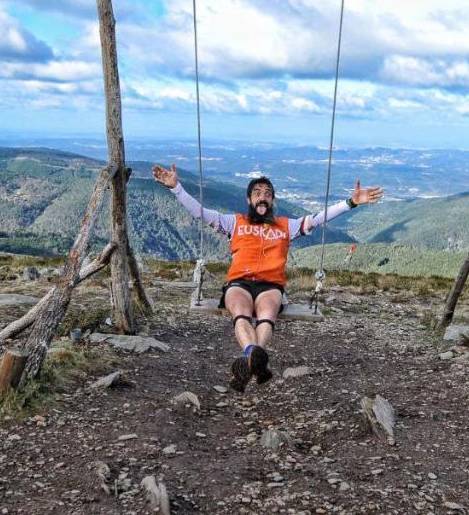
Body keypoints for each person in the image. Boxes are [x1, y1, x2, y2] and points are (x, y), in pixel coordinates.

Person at [151, 164, 383, 392]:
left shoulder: (286, 226)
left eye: (268, 194)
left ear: (272, 201)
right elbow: (199, 212)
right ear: (248, 199)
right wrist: (176, 188)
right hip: (239, 282)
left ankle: (250, 357)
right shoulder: (234, 223)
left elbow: (318, 218)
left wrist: (351, 203)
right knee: (240, 312)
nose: (263, 197)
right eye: (257, 193)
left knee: (267, 312)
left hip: (270, 285)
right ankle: (257, 359)